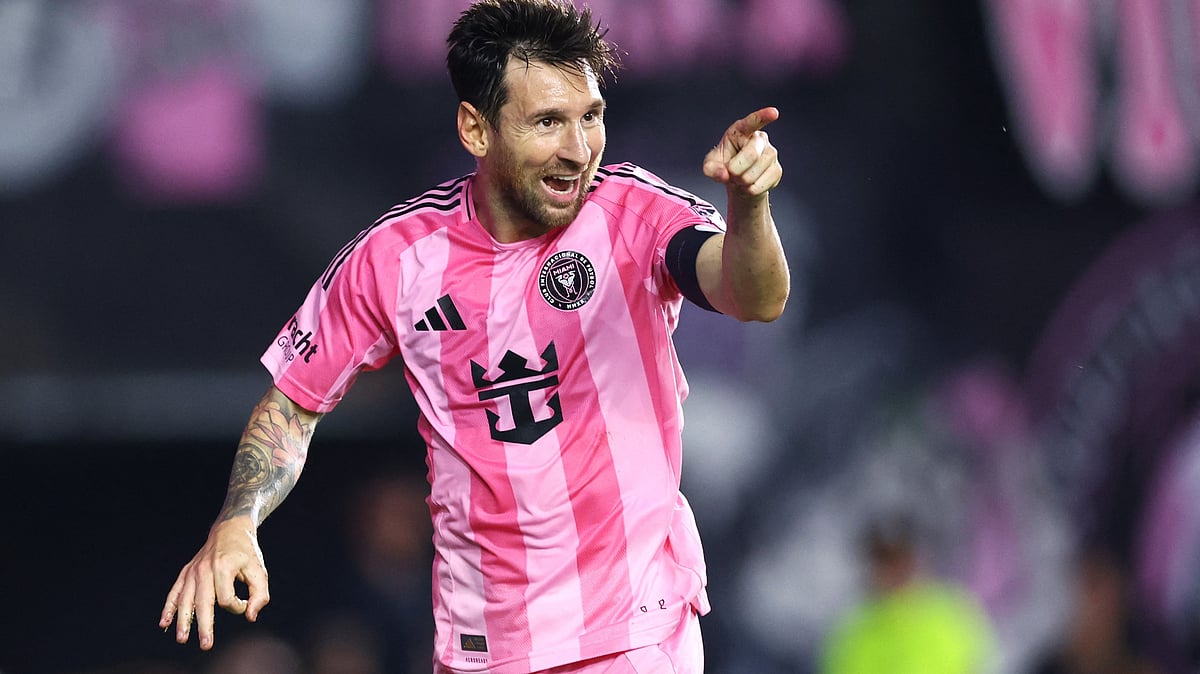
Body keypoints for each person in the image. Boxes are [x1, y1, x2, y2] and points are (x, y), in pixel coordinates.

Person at [158, 0, 790, 671]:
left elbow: (755, 296)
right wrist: (237, 521)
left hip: (631, 633)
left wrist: (750, 209)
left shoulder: (634, 213)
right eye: (548, 122)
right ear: (476, 128)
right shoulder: (395, 257)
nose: (578, 150)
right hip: (480, 648)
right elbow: (292, 402)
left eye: (590, 118)